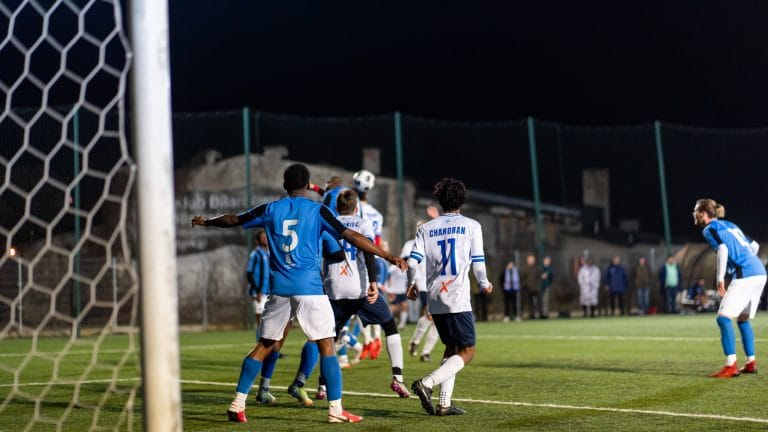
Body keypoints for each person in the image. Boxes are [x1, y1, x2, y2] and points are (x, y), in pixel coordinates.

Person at [191, 163, 406, 423]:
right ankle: (336, 411)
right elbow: (351, 236)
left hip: (279, 288)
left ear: (284, 185)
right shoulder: (318, 210)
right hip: (310, 289)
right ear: (307, 185)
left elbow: (233, 220)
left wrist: (206, 222)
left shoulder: (270, 209)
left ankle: (238, 403)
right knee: (327, 344)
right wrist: (387, 255)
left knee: (265, 344)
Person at [302, 190, 411, 398]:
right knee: (390, 326)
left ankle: (322, 387)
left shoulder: (328, 222)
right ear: (356, 208)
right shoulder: (362, 223)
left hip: (334, 288)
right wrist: (373, 282)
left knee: (329, 337)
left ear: (336, 207)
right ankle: (398, 377)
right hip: (359, 288)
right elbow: (368, 251)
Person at [407, 178, 493, 417]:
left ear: (440, 201)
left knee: (451, 348)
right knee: (468, 350)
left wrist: (412, 284)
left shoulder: (426, 228)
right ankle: (427, 383)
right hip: (457, 297)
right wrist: (484, 284)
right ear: (462, 200)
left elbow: (412, 261)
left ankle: (444, 404)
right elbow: (478, 262)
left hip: (435, 298)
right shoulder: (471, 225)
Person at [693, 198, 766, 378]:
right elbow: (754, 245)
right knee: (742, 319)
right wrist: (747, 261)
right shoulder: (729, 224)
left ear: (703, 213)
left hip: (746, 274)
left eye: (695, 211)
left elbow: (723, 249)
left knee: (723, 319)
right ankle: (750, 362)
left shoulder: (709, 229)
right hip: (759, 272)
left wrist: (720, 280)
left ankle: (731, 365)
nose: (694, 214)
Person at [244, 229, 278, 404]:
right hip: (259, 293)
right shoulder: (256, 253)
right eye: (263, 236)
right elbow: (249, 272)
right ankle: (261, 349)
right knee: (261, 324)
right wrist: (256, 290)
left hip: (268, 292)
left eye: (267, 235)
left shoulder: (269, 252)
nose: (266, 238)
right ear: (258, 240)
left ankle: (265, 349)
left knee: (267, 324)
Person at [404, 221, 440, 362]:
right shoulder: (410, 244)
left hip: (435, 285)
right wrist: (411, 283)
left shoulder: (434, 243)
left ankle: (422, 349)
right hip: (421, 285)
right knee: (431, 316)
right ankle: (419, 345)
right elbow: (407, 261)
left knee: (436, 318)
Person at [521, 254, 540, 319]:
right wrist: (526, 285)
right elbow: (523, 278)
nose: (531, 261)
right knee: (529, 302)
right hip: (528, 288)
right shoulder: (525, 268)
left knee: (537, 302)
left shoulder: (537, 268)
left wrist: (537, 285)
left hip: (536, 288)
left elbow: (539, 277)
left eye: (532, 259)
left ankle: (537, 314)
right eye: (530, 259)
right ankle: (531, 314)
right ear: (527, 260)